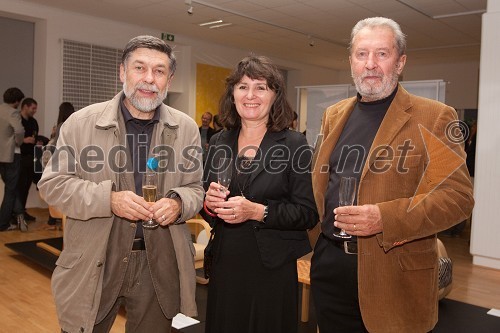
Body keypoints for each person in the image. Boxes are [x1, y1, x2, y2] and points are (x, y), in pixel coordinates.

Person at [310, 17, 474, 333]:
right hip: (331, 267)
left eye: (382, 54)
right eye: (362, 54)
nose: (370, 64)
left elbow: (457, 198)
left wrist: (386, 218)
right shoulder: (334, 115)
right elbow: (323, 183)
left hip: (393, 275)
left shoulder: (435, 116)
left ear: (400, 63)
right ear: (351, 61)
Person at [38, 35, 204, 333]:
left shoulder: (186, 129)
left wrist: (179, 202)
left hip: (159, 264)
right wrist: (108, 200)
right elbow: (52, 185)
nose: (149, 79)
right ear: (122, 72)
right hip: (96, 257)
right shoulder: (81, 123)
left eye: (159, 71)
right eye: (139, 68)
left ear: (169, 79)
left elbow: (196, 188)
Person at [201, 55, 318, 333]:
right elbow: (206, 200)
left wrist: (257, 211)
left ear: (274, 95)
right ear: (233, 94)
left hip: (272, 267)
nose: (250, 95)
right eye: (242, 87)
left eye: (261, 87)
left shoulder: (294, 144)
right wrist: (208, 204)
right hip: (226, 260)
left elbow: (307, 213)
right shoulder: (219, 141)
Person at [0, 87, 26, 232]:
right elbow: (19, 131)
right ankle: (3, 223)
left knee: (11, 187)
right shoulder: (13, 112)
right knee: (11, 189)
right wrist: (19, 141)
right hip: (11, 154)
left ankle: (20, 214)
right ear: (16, 101)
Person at [17, 97, 40, 222]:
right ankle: (16, 214)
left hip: (31, 157)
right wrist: (24, 140)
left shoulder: (33, 122)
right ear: (25, 106)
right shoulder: (17, 121)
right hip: (20, 157)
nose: (34, 111)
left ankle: (22, 212)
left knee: (26, 186)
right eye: (33, 108)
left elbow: (35, 136)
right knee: (19, 187)